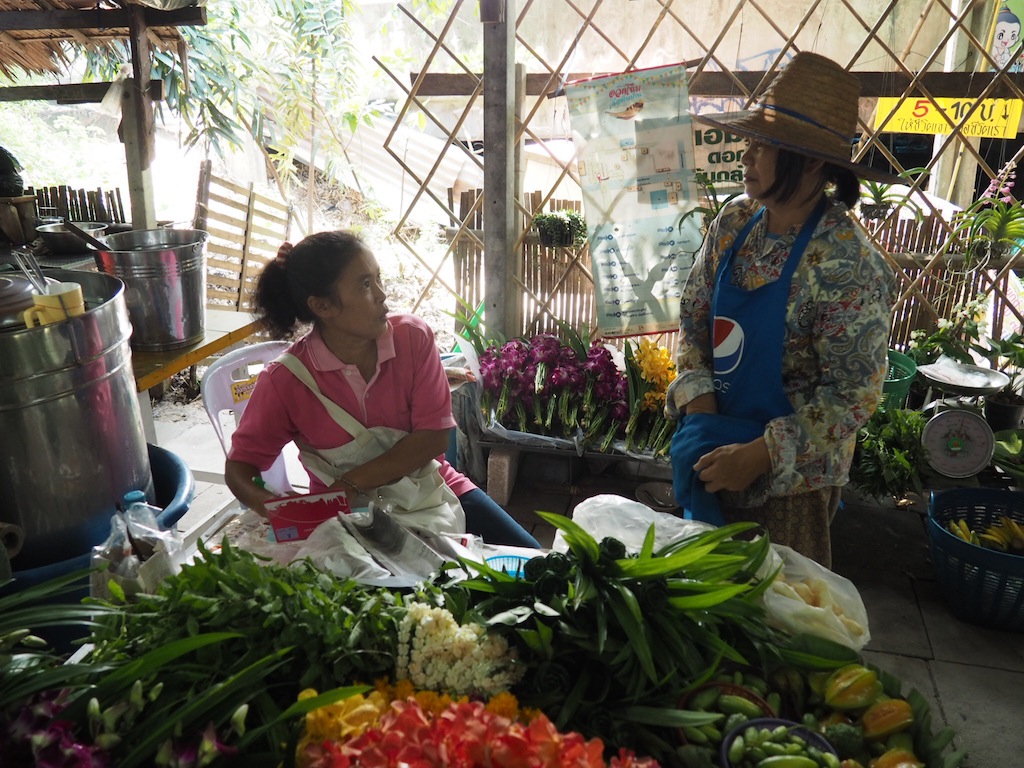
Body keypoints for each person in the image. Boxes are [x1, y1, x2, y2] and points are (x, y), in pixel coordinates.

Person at [666, 52, 897, 567]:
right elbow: (694, 319)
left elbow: (853, 396)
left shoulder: (847, 264)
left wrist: (757, 455)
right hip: (713, 455)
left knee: (777, 620)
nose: (746, 155)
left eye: (763, 145)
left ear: (812, 161)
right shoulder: (735, 222)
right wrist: (705, 426)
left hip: (790, 485)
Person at [224, 230, 540, 549]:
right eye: (365, 284)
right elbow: (240, 469)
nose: (381, 295)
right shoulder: (286, 381)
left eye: (378, 279)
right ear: (322, 305)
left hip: (433, 495)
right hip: (344, 520)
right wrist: (279, 510)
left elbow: (433, 437)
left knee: (533, 559)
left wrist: (351, 483)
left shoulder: (413, 339)